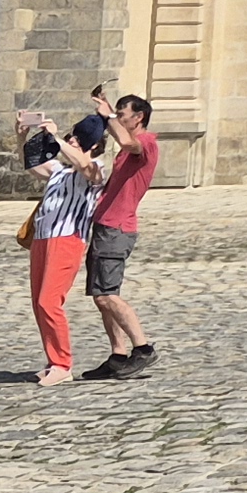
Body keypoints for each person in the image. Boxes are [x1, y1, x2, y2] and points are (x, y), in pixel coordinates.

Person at [15, 108, 103, 385]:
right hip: (43, 238)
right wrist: (22, 137)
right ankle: (54, 360)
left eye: (78, 139)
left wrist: (60, 141)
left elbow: (87, 169)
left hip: (67, 240)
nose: (72, 141)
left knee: (50, 301)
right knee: (38, 304)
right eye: (71, 137)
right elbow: (32, 164)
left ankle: (63, 364)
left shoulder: (97, 168)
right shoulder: (59, 171)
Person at [79, 89, 161, 380]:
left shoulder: (146, 143)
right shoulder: (126, 153)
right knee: (100, 297)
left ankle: (143, 348)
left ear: (138, 118)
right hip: (104, 227)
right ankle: (117, 354)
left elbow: (126, 141)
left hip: (118, 229)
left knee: (109, 295)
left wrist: (108, 114)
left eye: (123, 115)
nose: (118, 119)